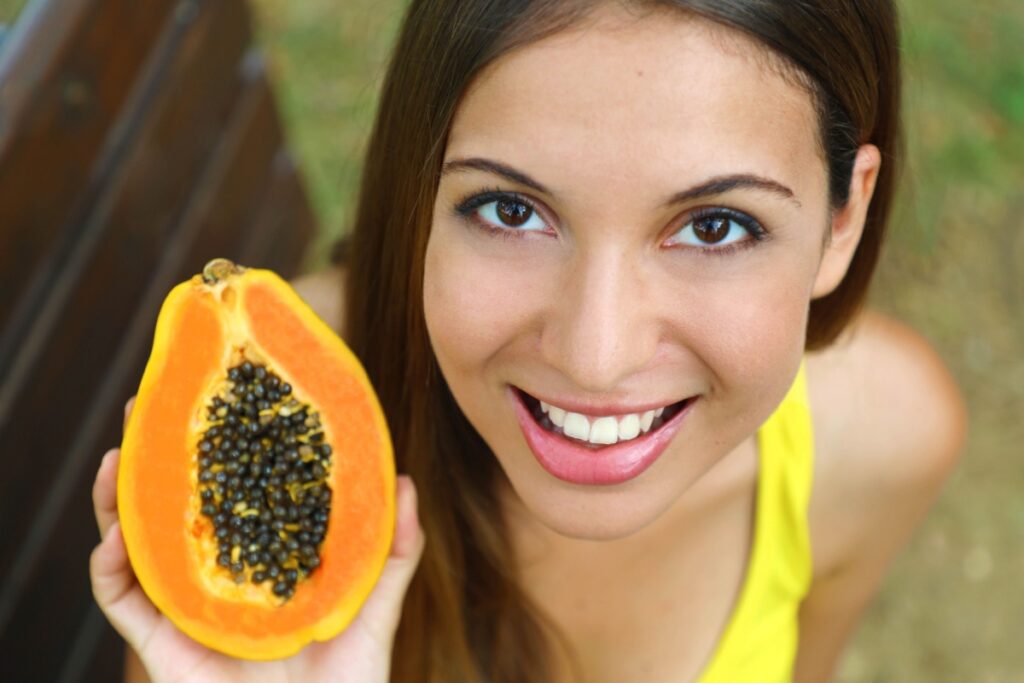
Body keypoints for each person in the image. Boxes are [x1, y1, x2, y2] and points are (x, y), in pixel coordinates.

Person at [90, 0, 968, 681]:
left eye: (715, 227)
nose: (596, 355)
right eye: (510, 210)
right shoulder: (258, 423)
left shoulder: (883, 443)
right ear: (420, 183)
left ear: (842, 220)